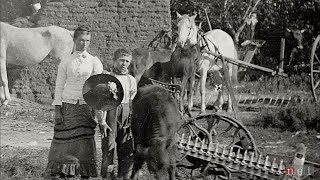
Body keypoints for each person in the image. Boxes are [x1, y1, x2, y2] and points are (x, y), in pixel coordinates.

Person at [45, 25, 103, 179]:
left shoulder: (94, 61)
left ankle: (84, 173)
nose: (84, 43)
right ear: (75, 40)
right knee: (64, 140)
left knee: (84, 141)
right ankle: (63, 172)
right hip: (68, 105)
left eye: (87, 40)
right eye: (81, 40)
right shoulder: (66, 60)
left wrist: (97, 111)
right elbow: (59, 85)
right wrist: (58, 109)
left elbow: (97, 88)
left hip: (86, 107)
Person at [98, 48, 137, 180]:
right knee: (109, 144)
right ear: (114, 61)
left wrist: (132, 119)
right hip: (110, 112)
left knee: (126, 145)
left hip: (126, 113)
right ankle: (108, 175)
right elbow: (102, 103)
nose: (124, 64)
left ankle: (124, 175)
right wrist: (102, 121)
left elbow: (132, 100)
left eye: (127, 61)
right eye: (121, 60)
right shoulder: (108, 77)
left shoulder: (131, 79)